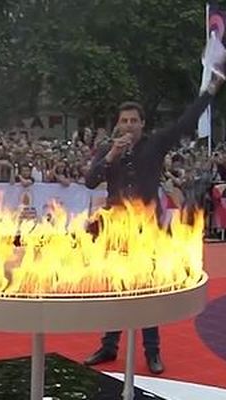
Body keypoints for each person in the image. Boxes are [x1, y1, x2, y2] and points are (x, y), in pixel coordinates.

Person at [83, 70, 225, 375]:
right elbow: (90, 181)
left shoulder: (156, 144)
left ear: (142, 124)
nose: (129, 125)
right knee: (116, 290)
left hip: (148, 232)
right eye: (124, 120)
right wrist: (110, 157)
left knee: (147, 291)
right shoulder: (108, 150)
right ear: (117, 124)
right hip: (115, 232)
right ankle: (108, 346)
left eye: (134, 120)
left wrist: (210, 91)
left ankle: (153, 352)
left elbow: (185, 124)